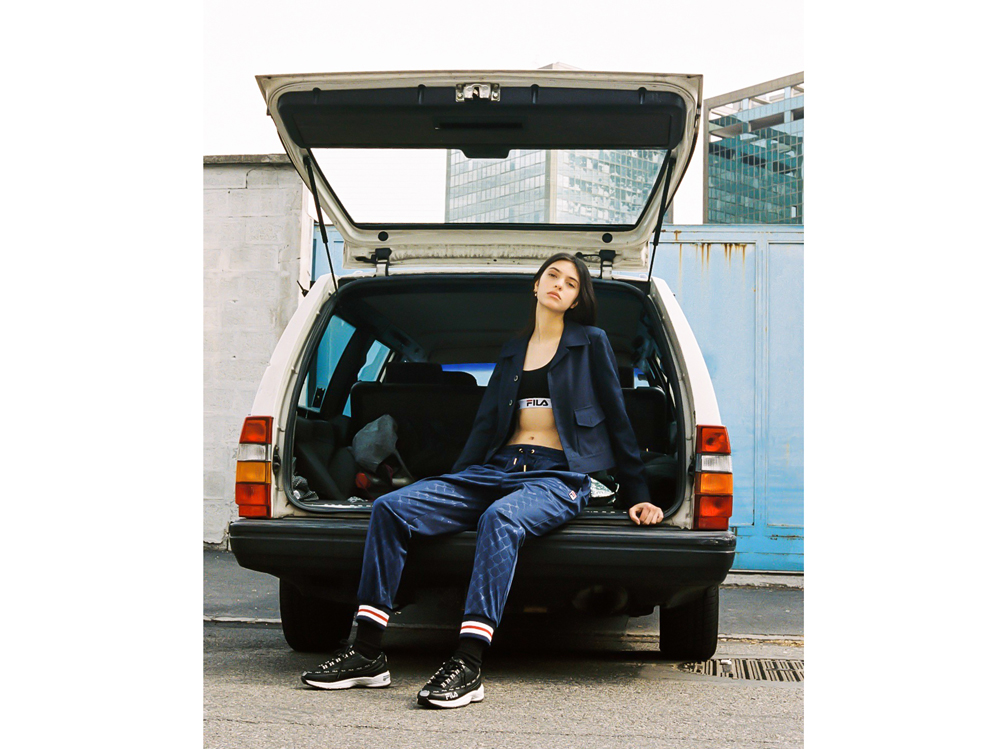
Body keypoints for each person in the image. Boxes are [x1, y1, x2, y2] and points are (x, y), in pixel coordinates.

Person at [300, 252, 665, 708]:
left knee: (500, 518)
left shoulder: (590, 343)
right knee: (390, 508)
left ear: (575, 300)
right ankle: (368, 652)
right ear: (536, 285)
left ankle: (468, 662)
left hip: (557, 476)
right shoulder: (513, 350)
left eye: (571, 283)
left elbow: (617, 418)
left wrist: (637, 494)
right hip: (495, 468)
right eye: (552, 276)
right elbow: (485, 425)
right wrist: (452, 485)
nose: (559, 284)